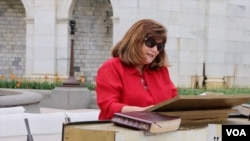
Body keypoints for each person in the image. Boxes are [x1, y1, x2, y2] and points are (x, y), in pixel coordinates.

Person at [96, 19, 178, 120]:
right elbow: (108, 107)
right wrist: (143, 112)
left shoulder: (161, 70)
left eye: (160, 46)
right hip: (121, 132)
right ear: (135, 40)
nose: (155, 50)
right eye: (150, 43)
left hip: (159, 131)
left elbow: (174, 102)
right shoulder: (111, 68)